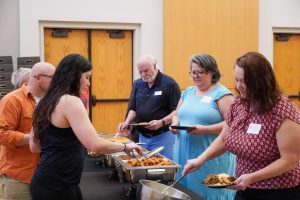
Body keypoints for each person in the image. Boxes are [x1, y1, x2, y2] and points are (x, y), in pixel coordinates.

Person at [182, 52, 300, 200]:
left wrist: (253, 177)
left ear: (261, 81)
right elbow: (224, 138)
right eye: (236, 80)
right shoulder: (239, 104)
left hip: (279, 191)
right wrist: (201, 159)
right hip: (245, 188)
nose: (239, 86)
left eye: (244, 82)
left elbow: (290, 160)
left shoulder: (283, 110)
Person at [29, 54, 142, 200]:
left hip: (44, 182)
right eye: (87, 77)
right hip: (59, 186)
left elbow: (34, 146)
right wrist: (126, 146)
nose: (88, 83)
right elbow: (94, 144)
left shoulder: (45, 102)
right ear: (74, 76)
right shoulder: (71, 102)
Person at [170, 54, 236, 200]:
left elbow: (232, 123)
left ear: (212, 72)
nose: (196, 76)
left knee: (207, 193)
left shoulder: (222, 94)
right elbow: (177, 113)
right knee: (184, 191)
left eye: (200, 72)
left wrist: (204, 130)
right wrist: (175, 123)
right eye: (193, 72)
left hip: (209, 156)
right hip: (182, 153)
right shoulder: (188, 92)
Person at [0, 62, 55, 200]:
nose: (55, 81)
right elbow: (2, 134)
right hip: (19, 178)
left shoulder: (51, 101)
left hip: (46, 176)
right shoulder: (13, 100)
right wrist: (33, 138)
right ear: (37, 78)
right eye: (51, 77)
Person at [118, 55, 181, 159]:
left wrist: (161, 122)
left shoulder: (169, 84)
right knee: (146, 167)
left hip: (163, 136)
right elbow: (133, 108)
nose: (143, 74)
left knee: (163, 169)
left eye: (146, 70)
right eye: (140, 71)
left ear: (155, 66)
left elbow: (177, 112)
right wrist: (127, 122)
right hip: (143, 137)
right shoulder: (138, 84)